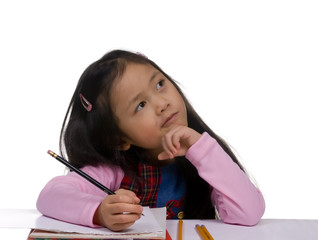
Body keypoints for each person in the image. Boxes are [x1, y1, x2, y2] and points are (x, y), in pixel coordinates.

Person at [37, 50, 265, 231]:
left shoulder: (205, 160)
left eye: (159, 84)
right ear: (119, 140)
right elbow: (49, 196)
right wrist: (99, 212)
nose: (161, 103)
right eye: (140, 105)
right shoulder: (114, 172)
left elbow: (250, 212)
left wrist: (202, 150)